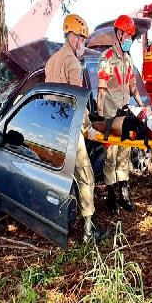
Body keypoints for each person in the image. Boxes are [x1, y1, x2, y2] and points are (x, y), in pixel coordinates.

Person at [44, 14, 110, 244]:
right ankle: (89, 232)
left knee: (63, 179)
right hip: (71, 130)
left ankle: (60, 224)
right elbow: (77, 100)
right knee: (86, 177)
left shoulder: (51, 61)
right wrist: (88, 129)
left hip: (54, 130)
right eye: (82, 38)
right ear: (73, 38)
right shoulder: (72, 62)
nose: (83, 43)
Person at [97, 14, 144, 214]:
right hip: (109, 118)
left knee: (124, 155)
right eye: (128, 36)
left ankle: (124, 194)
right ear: (119, 33)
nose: (130, 41)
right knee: (110, 157)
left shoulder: (129, 59)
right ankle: (111, 197)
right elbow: (101, 90)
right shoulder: (106, 58)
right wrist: (99, 117)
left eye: (132, 38)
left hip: (125, 117)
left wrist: (142, 107)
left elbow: (133, 87)